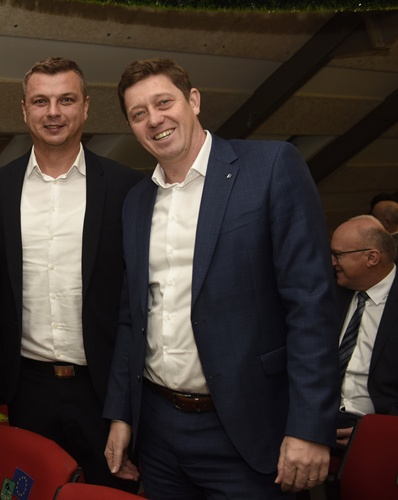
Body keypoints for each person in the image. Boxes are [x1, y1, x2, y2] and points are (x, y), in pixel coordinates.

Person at [103, 58, 341, 499]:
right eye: (138, 113)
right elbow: (132, 318)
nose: (154, 119)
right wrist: (122, 415)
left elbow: (311, 304)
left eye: (164, 102)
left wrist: (309, 427)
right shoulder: (136, 201)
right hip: (158, 431)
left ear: (193, 101)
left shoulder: (271, 166)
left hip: (249, 431)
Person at [0, 57, 143, 490]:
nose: (53, 112)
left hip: (104, 390)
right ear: (23, 110)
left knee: (108, 494)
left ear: (85, 107)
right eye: (40, 101)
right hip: (26, 387)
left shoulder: (126, 186)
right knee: (31, 491)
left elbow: (139, 298)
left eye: (66, 100)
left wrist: (127, 399)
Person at [330, 215, 398, 447]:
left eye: (339, 255)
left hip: (383, 433)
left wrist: (374, 433)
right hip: (322, 425)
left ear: (372, 257)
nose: (332, 262)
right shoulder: (329, 295)